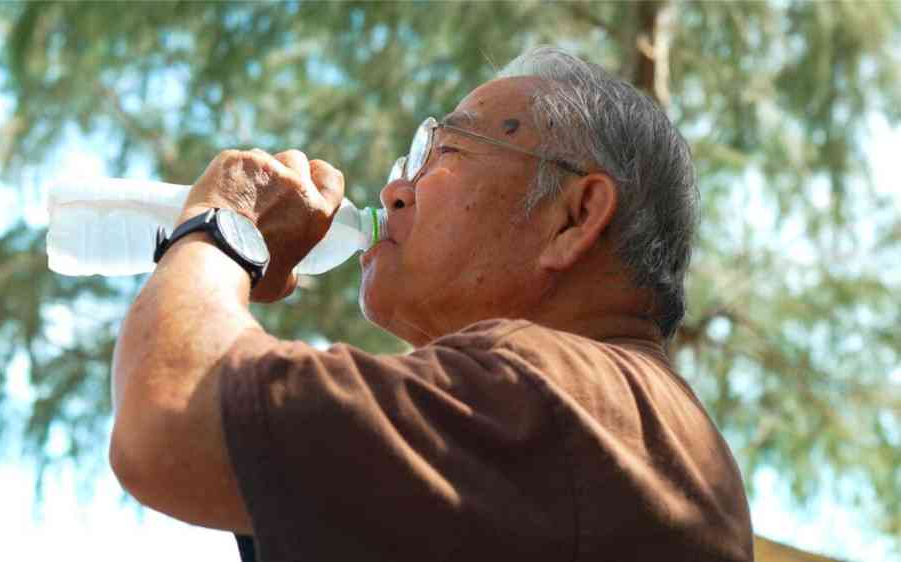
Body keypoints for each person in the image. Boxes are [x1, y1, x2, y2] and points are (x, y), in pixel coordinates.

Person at [109, 47, 754, 561]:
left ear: (575, 217)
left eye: (443, 152)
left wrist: (226, 223)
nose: (393, 190)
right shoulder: (625, 420)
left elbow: (167, 419)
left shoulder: (550, 393)